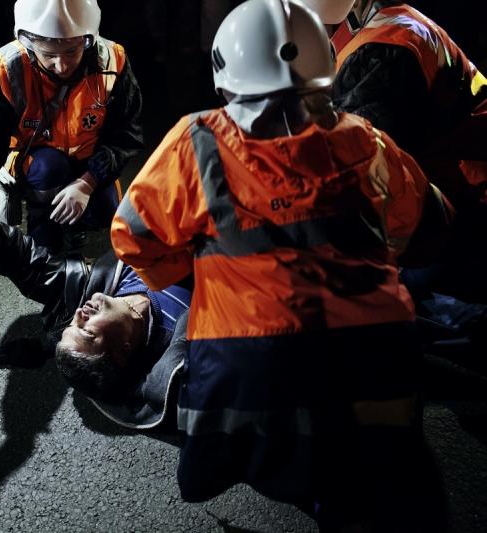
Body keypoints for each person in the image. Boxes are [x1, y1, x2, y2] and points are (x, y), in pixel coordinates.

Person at [110, 0, 452, 530]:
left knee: (253, 431)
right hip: (378, 359)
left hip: (250, 367)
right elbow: (428, 226)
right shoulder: (366, 140)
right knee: (381, 478)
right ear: (325, 70)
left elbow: (132, 237)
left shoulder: (195, 140)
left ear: (224, 80)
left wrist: (198, 272)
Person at [0, 191, 190, 427]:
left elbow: (26, 262)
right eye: (86, 331)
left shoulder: (101, 287)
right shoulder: (190, 337)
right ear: (124, 350)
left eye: (73, 324)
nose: (79, 314)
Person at [304, 0, 487, 355]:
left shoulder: (382, 54)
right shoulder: (385, 25)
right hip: (456, 195)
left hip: (467, 213)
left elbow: (356, 177)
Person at [0, 0, 144, 252]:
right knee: (48, 168)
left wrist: (88, 182)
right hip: (36, 162)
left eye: (71, 51)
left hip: (89, 159)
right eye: (49, 55)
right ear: (29, 43)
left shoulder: (113, 61)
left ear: (88, 39)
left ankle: (75, 223)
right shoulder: (3, 69)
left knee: (106, 207)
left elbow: (126, 134)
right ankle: (42, 222)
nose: (62, 65)